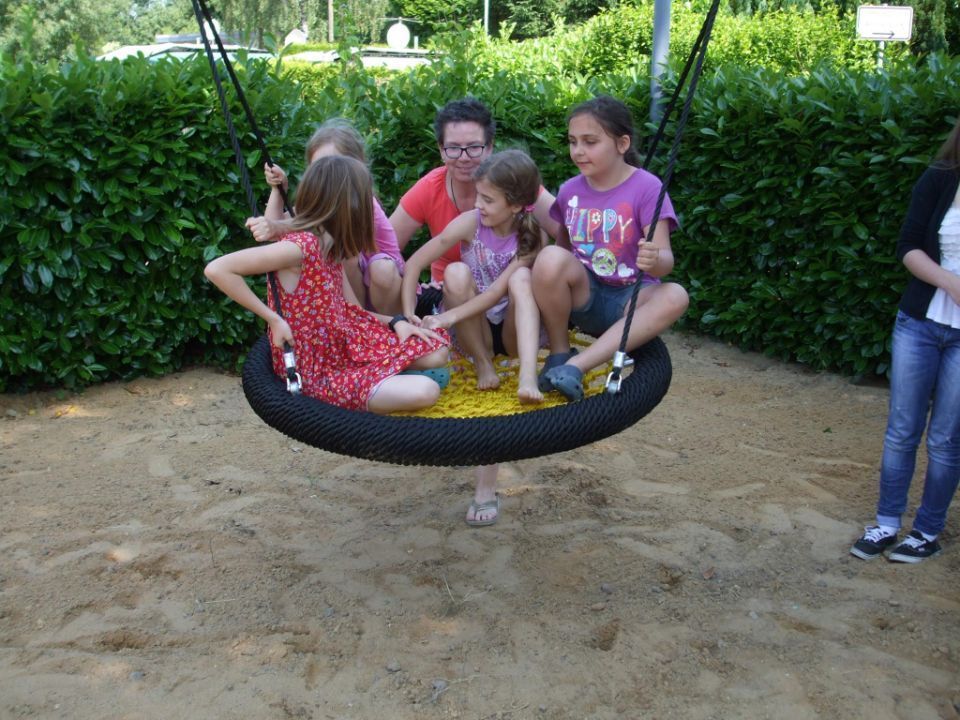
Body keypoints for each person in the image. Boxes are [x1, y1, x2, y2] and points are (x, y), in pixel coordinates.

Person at [205, 155, 449, 414]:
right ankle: (368, 386)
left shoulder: (331, 246)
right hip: (317, 371)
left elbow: (352, 312)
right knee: (426, 390)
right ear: (348, 207)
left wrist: (395, 322)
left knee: (438, 352)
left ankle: (380, 377)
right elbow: (218, 269)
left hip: (344, 346)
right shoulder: (301, 248)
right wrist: (273, 320)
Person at [850, 116, 960, 564]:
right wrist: (951, 285)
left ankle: (928, 531)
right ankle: (886, 523)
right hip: (919, 322)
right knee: (901, 430)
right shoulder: (939, 179)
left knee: (946, 438)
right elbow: (909, 246)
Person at [532, 95, 689, 402]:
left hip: (629, 300)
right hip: (585, 296)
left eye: (590, 142)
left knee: (676, 295)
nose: (578, 151)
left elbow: (665, 262)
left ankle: (577, 366)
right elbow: (561, 254)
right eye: (573, 141)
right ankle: (559, 352)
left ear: (622, 143)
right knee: (549, 256)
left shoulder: (647, 187)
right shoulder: (570, 190)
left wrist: (654, 258)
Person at [401, 149, 547, 403]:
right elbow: (414, 264)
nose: (479, 204)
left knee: (520, 278)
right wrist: (408, 313)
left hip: (513, 329)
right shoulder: (471, 222)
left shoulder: (533, 236)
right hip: (475, 329)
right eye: (478, 195)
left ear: (515, 205)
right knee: (456, 271)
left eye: (488, 199)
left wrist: (447, 317)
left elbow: (495, 294)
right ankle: (482, 362)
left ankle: (527, 375)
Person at [389, 97, 559, 309]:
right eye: (453, 148)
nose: (464, 157)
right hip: (449, 295)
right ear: (441, 150)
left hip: (512, 301)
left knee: (524, 278)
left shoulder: (516, 184)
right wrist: (406, 304)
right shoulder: (430, 188)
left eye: (474, 147)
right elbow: (386, 246)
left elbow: (567, 232)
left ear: (490, 147)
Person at [256, 119, 406, 315]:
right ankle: (350, 325)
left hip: (388, 295)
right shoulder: (320, 198)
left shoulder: (364, 200)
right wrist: (278, 191)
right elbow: (275, 235)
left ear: (357, 166)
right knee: (319, 251)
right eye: (319, 166)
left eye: (335, 164)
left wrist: (277, 227)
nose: (328, 174)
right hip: (351, 295)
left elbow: (294, 225)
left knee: (351, 255)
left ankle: (371, 331)